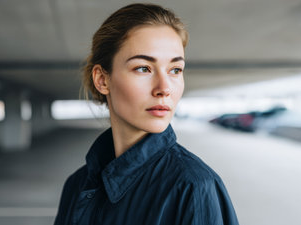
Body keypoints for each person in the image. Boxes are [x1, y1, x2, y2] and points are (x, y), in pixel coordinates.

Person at [54, 3, 239, 225]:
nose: (164, 87)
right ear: (103, 80)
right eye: (143, 68)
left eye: (175, 70)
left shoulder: (194, 186)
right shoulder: (77, 185)